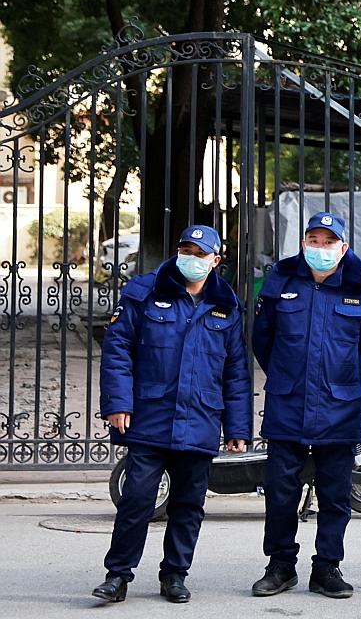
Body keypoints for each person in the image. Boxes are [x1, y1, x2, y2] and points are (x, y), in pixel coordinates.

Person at [92, 225, 252, 604]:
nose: (191, 258)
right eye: (185, 249)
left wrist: (238, 427)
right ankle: (117, 575)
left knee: (188, 505)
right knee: (136, 499)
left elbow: (236, 372)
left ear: (215, 261)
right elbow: (118, 351)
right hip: (150, 416)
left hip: (200, 419)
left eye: (200, 253)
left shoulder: (226, 306)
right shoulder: (144, 293)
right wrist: (117, 403)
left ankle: (175, 575)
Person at [250, 211, 361, 598]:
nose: (321, 248)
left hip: (339, 407)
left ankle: (327, 567)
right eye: (314, 240)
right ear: (304, 244)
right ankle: (280, 566)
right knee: (280, 493)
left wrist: (341, 377)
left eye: (329, 242)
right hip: (288, 403)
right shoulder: (281, 282)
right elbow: (264, 341)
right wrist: (288, 373)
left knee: (335, 495)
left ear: (343, 248)